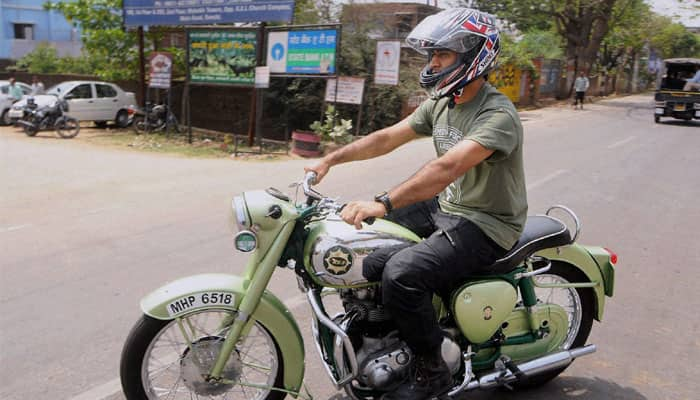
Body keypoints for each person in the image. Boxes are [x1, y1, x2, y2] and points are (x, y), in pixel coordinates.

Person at [304, 8, 527, 400]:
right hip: (449, 206)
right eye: (432, 55)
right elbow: (387, 137)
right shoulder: (443, 103)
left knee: (403, 274)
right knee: (366, 251)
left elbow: (447, 167)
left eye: (442, 55)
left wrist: (383, 202)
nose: (433, 63)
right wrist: (332, 158)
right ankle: (382, 333)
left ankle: (432, 368)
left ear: (473, 54)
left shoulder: (497, 114)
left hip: (488, 223)